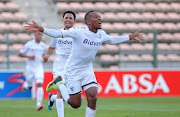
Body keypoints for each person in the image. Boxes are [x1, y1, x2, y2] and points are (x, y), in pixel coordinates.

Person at [24, 11, 144, 117]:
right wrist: (41, 28)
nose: (99, 19)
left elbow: (112, 40)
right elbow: (57, 34)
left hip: (87, 70)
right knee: (75, 104)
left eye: (100, 17)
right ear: (88, 21)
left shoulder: (101, 34)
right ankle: (59, 83)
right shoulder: (78, 32)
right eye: (96, 17)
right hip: (72, 71)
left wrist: (130, 37)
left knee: (93, 96)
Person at [43, 11, 76, 117]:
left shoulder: (77, 34)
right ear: (63, 20)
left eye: (70, 18)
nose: (68, 19)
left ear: (74, 21)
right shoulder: (57, 34)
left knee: (70, 96)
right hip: (59, 66)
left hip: (72, 68)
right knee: (61, 92)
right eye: (66, 17)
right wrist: (47, 55)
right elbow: (52, 47)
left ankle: (52, 97)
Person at [18, 31, 46, 111]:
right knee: (30, 86)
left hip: (39, 67)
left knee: (39, 84)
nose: (39, 36)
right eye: (38, 34)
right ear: (34, 35)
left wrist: (44, 58)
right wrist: (29, 56)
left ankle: (38, 104)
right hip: (30, 67)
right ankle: (25, 85)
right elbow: (20, 54)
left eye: (41, 34)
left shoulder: (43, 45)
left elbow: (43, 55)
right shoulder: (29, 44)